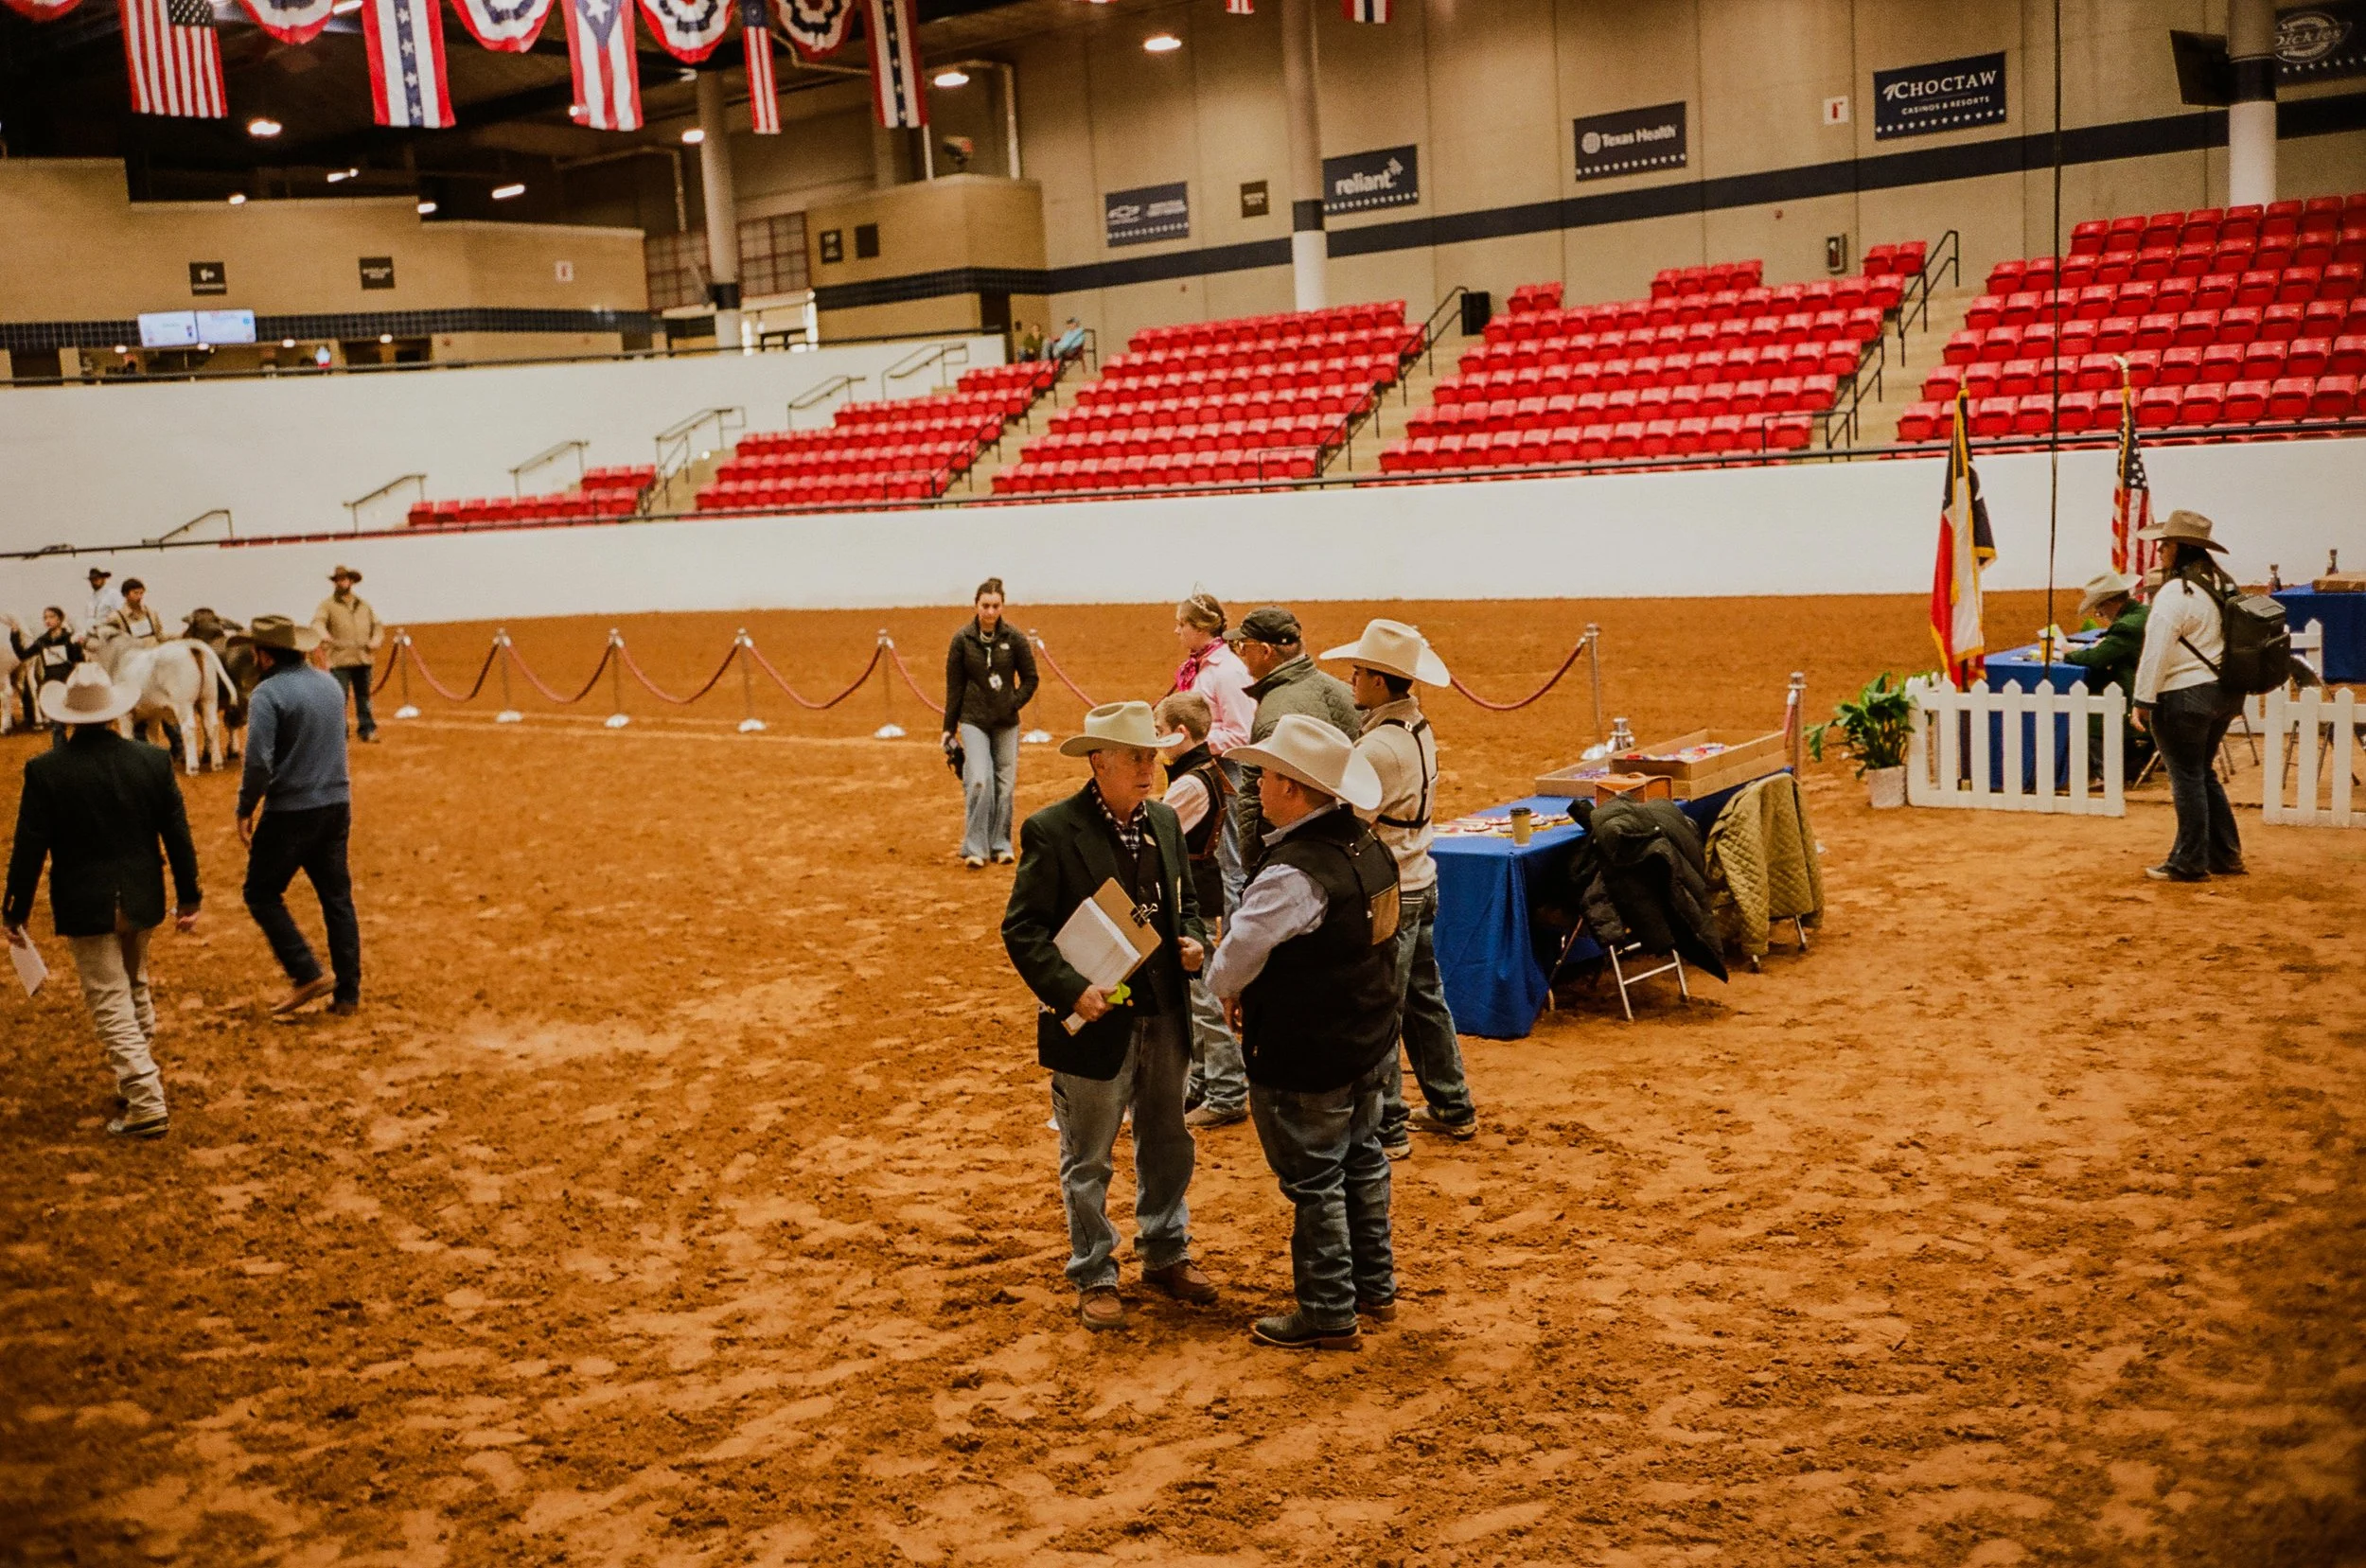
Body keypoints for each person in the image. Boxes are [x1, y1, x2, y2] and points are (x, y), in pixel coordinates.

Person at [1001, 701, 1217, 1331]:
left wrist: (1195, 941)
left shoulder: (1164, 822)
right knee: (1089, 1153)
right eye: (1136, 757)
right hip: (1095, 1020)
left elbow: (1187, 903)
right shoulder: (1051, 830)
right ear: (1100, 761)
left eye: (1153, 756)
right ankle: (1094, 1270)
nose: (1151, 768)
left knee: (1169, 1140)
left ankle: (1166, 1249)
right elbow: (1022, 929)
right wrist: (1071, 990)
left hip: (1164, 1012)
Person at [1206, 714, 1402, 1350]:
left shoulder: (1293, 871)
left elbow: (1234, 959)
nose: (1257, 785)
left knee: (1316, 1179)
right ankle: (1374, 1287)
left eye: (1265, 775)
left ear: (1291, 786)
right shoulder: (1366, 844)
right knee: (1363, 1161)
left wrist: (1227, 986)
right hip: (1369, 1037)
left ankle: (1327, 1308)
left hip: (1308, 1052)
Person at [4, 662, 202, 1139]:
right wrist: (189, 896)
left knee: (110, 998)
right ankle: (135, 1080)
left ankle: (145, 1097)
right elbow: (177, 834)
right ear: (114, 711)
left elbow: (29, 847)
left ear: (68, 716)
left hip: (85, 900)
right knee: (135, 986)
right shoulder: (152, 761)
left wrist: (14, 911)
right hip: (142, 893)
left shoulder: (46, 771)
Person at [1322, 619, 1478, 1158]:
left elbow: (1352, 819)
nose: (1352, 679)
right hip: (1421, 878)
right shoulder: (1416, 728)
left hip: (1393, 890)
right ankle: (1452, 1104)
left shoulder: (1379, 747)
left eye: (1359, 672)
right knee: (1424, 1001)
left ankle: (1387, 1125)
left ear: (1379, 679)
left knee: (1380, 1010)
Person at [231, 616, 361, 1014]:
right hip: (335, 803)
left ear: (265, 656)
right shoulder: (330, 684)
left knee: (261, 892)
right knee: (337, 898)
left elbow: (258, 762)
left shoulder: (267, 694)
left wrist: (245, 807)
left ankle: (305, 971)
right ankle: (348, 992)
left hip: (290, 810)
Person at [2130, 511, 2244, 883]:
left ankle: (2189, 861)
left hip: (2183, 695)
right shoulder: (2220, 584)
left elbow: (2156, 650)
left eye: (2165, 544)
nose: (2160, 550)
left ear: (2180, 547)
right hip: (2221, 692)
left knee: (2187, 778)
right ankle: (2224, 855)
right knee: (2201, 773)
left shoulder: (2176, 592)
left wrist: (2142, 700)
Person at [1153, 691, 1247, 1132]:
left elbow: (1157, 830)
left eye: (1159, 731)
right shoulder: (1202, 771)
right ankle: (1205, 1083)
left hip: (1195, 894)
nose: (1156, 740)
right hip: (1199, 891)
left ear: (1180, 733)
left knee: (1203, 996)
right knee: (1195, 994)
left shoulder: (1192, 782)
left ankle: (1227, 1090)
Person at [1228, 606, 1361, 872]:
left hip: (1299, 854)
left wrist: (1254, 863)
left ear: (1265, 651)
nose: (1241, 654)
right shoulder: (1344, 692)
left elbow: (1256, 799)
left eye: (1243, 646)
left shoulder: (1273, 714)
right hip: (1348, 839)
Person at [942, 578, 1039, 869]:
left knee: (1005, 785)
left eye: (996, 606)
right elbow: (954, 687)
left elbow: (1031, 678)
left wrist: (1013, 702)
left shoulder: (1015, 638)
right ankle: (975, 847)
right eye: (985, 605)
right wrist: (948, 729)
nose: (990, 612)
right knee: (979, 780)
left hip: (1006, 723)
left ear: (1002, 606)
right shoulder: (962, 640)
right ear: (976, 605)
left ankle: (1000, 844)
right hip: (974, 720)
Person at [310, 566, 385, 744]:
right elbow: (317, 623)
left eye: (344, 579)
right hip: (339, 661)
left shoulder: (363, 605)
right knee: (339, 698)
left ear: (351, 581)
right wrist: (324, 635)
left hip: (362, 659)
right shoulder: (327, 606)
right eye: (338, 580)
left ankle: (367, 729)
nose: (341, 582)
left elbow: (377, 626)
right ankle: (339, 733)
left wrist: (375, 640)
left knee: (364, 697)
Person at [2063, 571, 2147, 696]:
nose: (2102, 615)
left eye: (2099, 610)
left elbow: (2095, 659)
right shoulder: (2145, 611)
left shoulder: (2125, 626)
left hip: (2132, 693)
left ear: (2109, 603)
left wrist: (2070, 653)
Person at [9, 608, 83, 749]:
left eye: (51, 617)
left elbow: (78, 660)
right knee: (57, 725)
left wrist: (77, 646)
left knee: (77, 719)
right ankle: (60, 751)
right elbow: (23, 655)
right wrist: (15, 635)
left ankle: (79, 748)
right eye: (45, 618)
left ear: (60, 619)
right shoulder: (42, 641)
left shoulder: (70, 638)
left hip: (70, 683)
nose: (48, 620)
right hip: (51, 684)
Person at [100, 578, 167, 649]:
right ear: (125, 594)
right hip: (133, 654)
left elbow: (160, 637)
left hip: (155, 652)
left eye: (141, 593)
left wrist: (176, 637)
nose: (139, 597)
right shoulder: (116, 617)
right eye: (136, 593)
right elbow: (108, 642)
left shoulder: (151, 613)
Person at [82, 568, 122, 637]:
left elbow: (120, 614)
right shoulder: (90, 599)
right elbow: (89, 618)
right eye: (92, 580)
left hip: (110, 630)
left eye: (96, 579)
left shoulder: (113, 593)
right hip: (92, 632)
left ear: (104, 579)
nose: (94, 582)